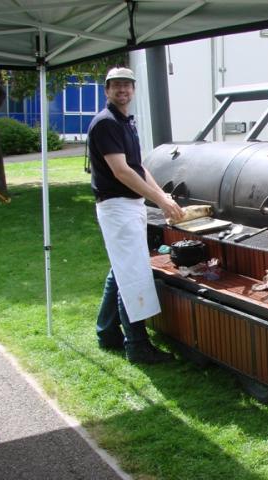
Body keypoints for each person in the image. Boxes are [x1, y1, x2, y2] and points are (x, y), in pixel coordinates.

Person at [87, 66, 184, 364]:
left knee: (121, 269)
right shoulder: (106, 123)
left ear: (133, 89)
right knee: (133, 274)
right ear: (107, 90)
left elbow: (138, 167)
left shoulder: (125, 122)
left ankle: (107, 332)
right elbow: (121, 171)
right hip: (117, 206)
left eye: (127, 85)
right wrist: (160, 201)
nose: (122, 90)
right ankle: (137, 346)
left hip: (129, 205)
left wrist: (163, 196)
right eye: (116, 85)